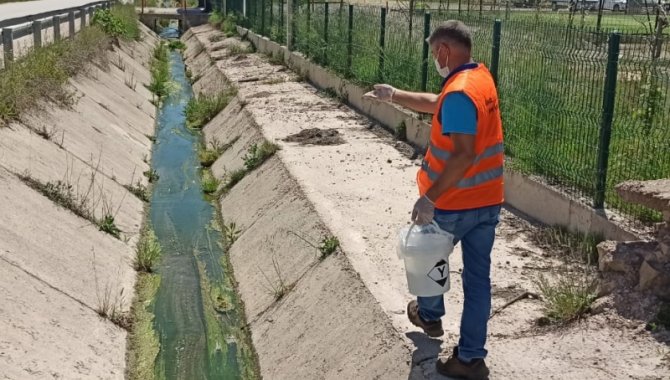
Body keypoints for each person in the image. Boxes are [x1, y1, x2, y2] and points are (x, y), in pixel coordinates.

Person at [364, 20, 503, 380]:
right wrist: (393, 95)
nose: (434, 61)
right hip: (488, 202)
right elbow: (436, 104)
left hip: (453, 202)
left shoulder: (459, 93)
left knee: (425, 259)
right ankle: (471, 359)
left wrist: (429, 198)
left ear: (443, 50)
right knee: (478, 282)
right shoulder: (478, 80)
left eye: (434, 54)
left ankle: (429, 315)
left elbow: (462, 155)